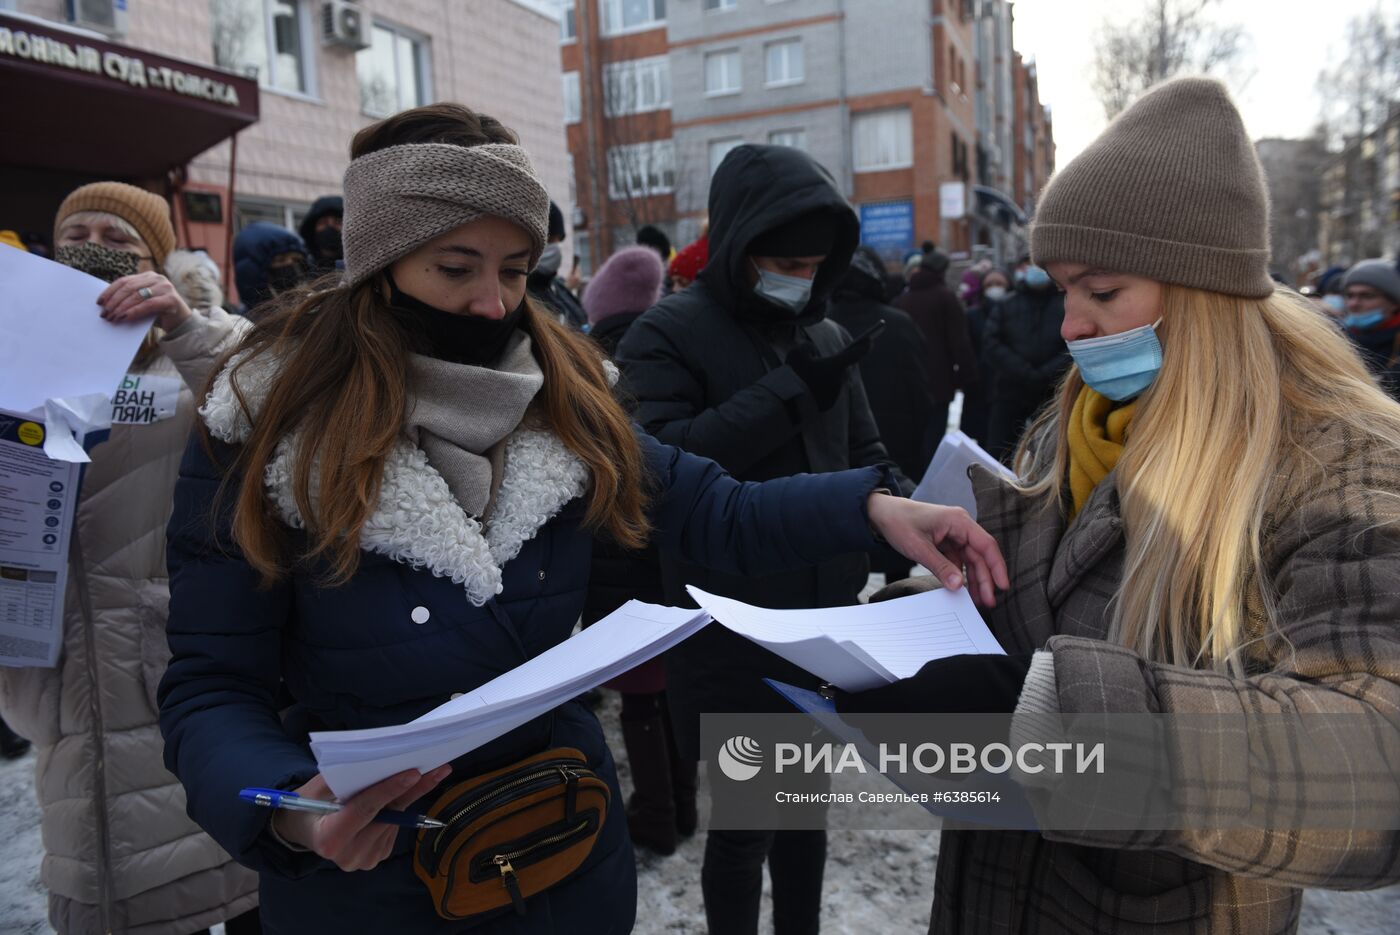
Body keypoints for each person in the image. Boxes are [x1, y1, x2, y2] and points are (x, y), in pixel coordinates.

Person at [155, 104, 1006, 935]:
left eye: (518, 268)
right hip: (377, 885)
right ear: (382, 261)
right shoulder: (268, 422)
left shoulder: (564, 396)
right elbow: (210, 685)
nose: (495, 303)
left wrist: (872, 507)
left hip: (568, 858)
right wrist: (290, 811)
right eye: (458, 267)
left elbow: (712, 506)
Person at [841, 75, 1400, 935]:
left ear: (1205, 291)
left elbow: (1373, 768)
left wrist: (1050, 714)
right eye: (1062, 290)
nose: (1070, 326)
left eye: (1101, 294)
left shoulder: (1334, 464)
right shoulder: (1074, 423)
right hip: (999, 892)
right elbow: (1050, 609)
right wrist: (909, 638)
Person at [617, 142, 912, 935]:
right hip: (731, 628)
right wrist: (787, 394)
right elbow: (665, 469)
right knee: (746, 828)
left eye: (814, 264)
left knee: (808, 818)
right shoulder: (666, 333)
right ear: (739, 245)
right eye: (783, 260)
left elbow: (866, 455)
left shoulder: (820, 337)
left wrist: (911, 505)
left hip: (825, 624)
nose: (799, 278)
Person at [0, 182, 258, 935]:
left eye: (118, 239)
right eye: (75, 231)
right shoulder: (17, 368)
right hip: (58, 680)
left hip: (175, 675)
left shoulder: (198, 352)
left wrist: (181, 326)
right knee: (106, 880)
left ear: (157, 264)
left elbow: (267, 419)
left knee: (235, 877)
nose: (93, 247)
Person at [579, 245, 696, 856]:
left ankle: (655, 815)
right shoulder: (673, 351)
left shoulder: (598, 373)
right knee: (666, 691)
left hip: (617, 564)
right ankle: (678, 803)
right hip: (668, 563)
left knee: (641, 702)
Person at [828, 246, 937, 583]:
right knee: (898, 548)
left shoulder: (819, 327)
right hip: (897, 451)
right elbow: (923, 394)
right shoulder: (899, 324)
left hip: (837, 456)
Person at [892, 248, 979, 465]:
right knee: (934, 440)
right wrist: (969, 377)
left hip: (909, 382)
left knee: (915, 438)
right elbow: (960, 341)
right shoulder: (945, 297)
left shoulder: (903, 299)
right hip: (940, 381)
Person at [980, 260, 1072, 461]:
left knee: (1055, 452)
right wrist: (1024, 371)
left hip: (1053, 390)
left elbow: (1072, 344)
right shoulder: (1007, 304)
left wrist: (1046, 372)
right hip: (1010, 389)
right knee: (999, 451)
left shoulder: (1065, 303)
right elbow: (992, 343)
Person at [959, 267, 1010, 443]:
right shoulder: (972, 315)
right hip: (980, 382)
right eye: (990, 284)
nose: (995, 287)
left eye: (999, 283)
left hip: (1009, 384)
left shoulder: (1014, 311)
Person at [1340, 258, 1400, 399]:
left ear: (1394, 303)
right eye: (1350, 295)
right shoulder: (1337, 340)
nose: (1354, 304)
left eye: (1367, 296)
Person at [527, 200, 587, 328]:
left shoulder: (553, 284)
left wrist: (566, 289)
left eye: (558, 241)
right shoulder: (521, 295)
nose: (556, 248)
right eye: (549, 240)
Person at [232, 221, 310, 315]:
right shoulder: (240, 325)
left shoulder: (310, 311)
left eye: (296, 260)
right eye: (280, 260)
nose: (291, 265)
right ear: (253, 273)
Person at [298, 194, 344, 272]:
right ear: (312, 229)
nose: (330, 227)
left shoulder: (358, 266)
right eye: (323, 222)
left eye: (338, 222)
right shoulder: (301, 268)